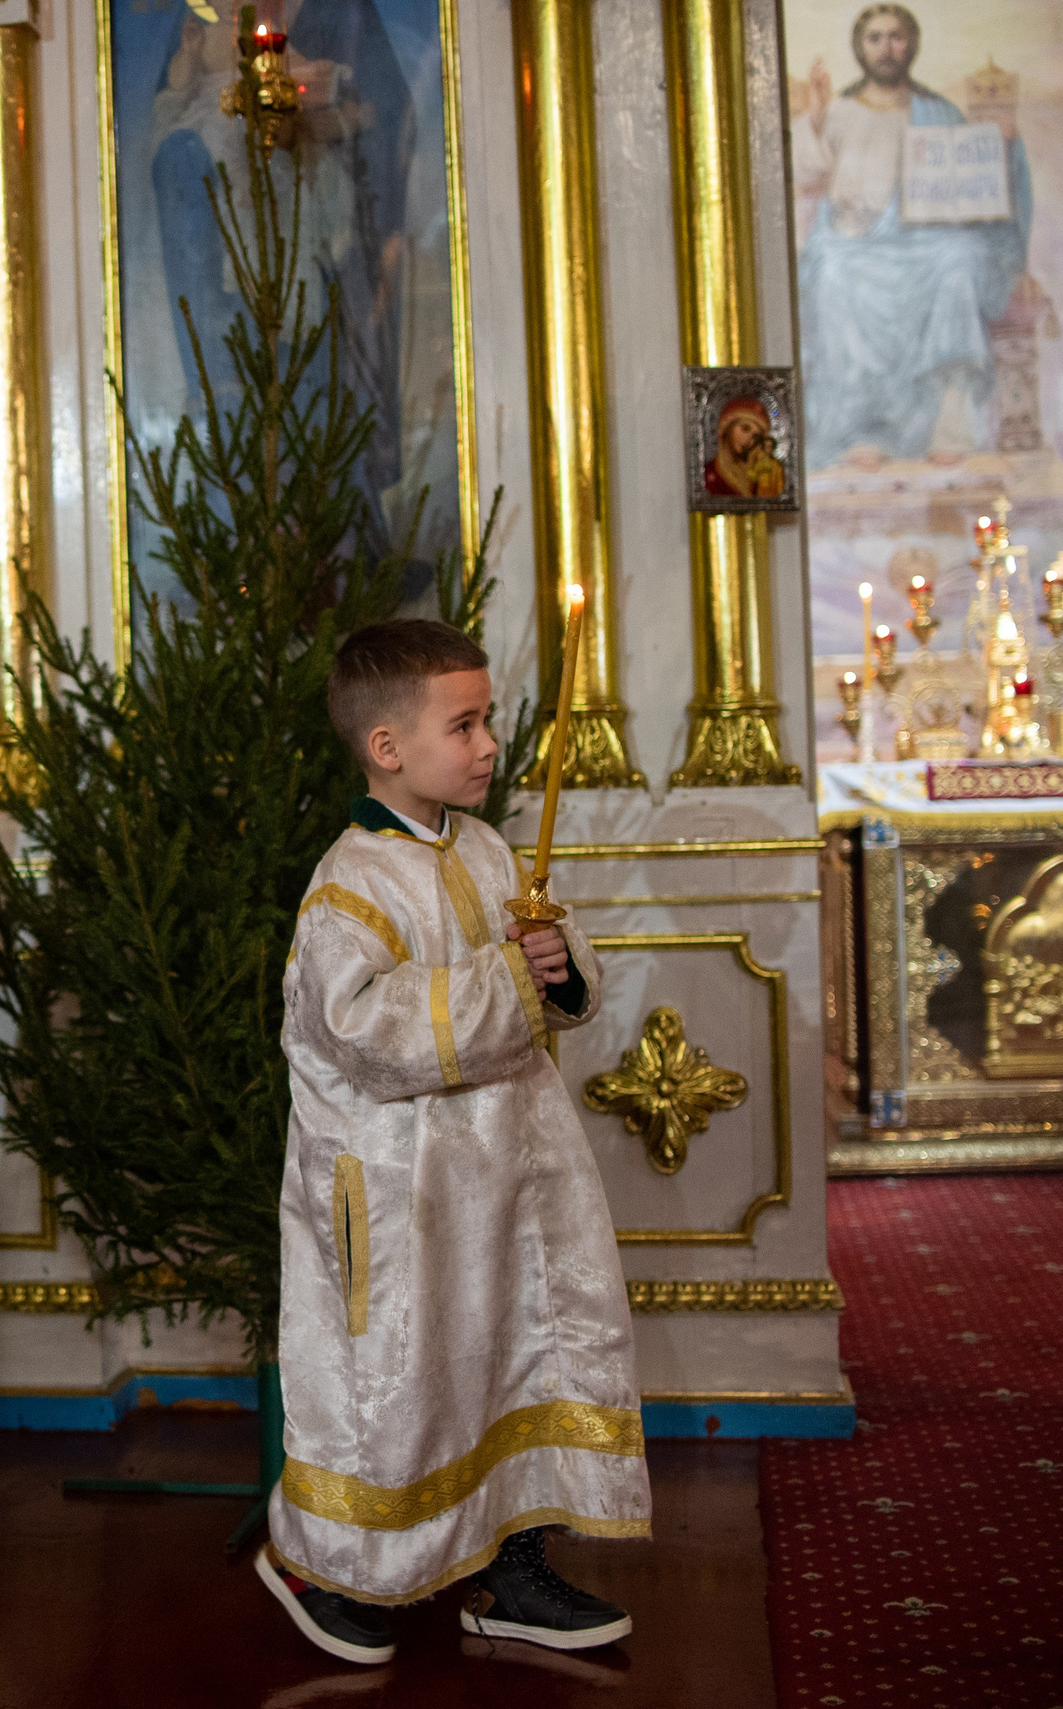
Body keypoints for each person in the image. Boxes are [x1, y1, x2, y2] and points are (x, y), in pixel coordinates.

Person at [258, 619, 649, 1666]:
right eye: (462, 723)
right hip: (400, 1187)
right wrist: (511, 981)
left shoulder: (481, 845)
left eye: (489, 719)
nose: (487, 744)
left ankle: (509, 1567)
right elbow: (367, 1031)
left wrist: (557, 968)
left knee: (512, 1350)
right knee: (397, 1377)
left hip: (506, 1168)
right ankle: (322, 1564)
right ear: (386, 746)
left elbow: (545, 973)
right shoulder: (352, 881)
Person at [791, 3, 1030, 469]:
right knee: (834, 276)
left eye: (896, 37)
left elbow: (975, 184)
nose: (886, 48)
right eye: (875, 38)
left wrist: (1003, 144)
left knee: (960, 260)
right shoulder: (838, 110)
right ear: (860, 48)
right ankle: (859, 431)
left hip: (925, 243)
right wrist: (816, 120)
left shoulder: (938, 112)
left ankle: (949, 427)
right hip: (855, 241)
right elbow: (806, 174)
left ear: (912, 45)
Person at [702, 395, 787, 500]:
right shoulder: (706, 476)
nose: (749, 440)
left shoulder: (762, 477)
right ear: (726, 427)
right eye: (745, 428)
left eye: (756, 436)